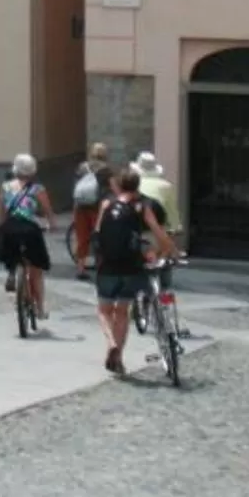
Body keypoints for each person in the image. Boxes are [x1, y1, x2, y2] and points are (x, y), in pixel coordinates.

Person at [92, 166, 180, 376]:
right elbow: (158, 232)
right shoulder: (142, 207)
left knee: (104, 310)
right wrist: (170, 250)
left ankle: (111, 344)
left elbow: (97, 235)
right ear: (137, 186)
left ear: (118, 185)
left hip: (108, 266)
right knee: (122, 311)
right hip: (132, 266)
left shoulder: (106, 204)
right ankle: (119, 358)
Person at [0, 155, 54, 326]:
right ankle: (40, 308)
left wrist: (0, 226)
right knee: (37, 268)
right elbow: (48, 210)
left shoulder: (5, 187)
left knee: (10, 249)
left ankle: (12, 270)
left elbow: (1, 213)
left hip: (10, 228)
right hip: (29, 229)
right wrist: (52, 224)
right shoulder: (37, 189)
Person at [68, 142, 111, 278]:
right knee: (100, 237)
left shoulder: (82, 167)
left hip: (80, 206)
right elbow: (111, 189)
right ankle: (100, 268)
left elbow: (76, 186)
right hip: (97, 208)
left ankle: (80, 269)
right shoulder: (106, 170)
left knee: (82, 239)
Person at [134, 152, 182, 249]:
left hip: (136, 229)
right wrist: (176, 227)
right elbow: (171, 211)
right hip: (158, 231)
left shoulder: (134, 185)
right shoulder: (166, 186)